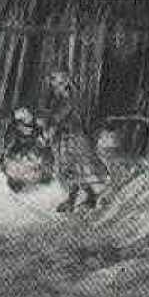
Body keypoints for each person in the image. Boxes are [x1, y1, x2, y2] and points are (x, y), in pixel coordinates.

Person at [44, 71, 108, 212]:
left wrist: (52, 127)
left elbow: (60, 116)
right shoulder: (57, 100)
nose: (55, 87)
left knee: (80, 167)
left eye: (59, 83)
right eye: (54, 84)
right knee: (67, 169)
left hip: (74, 138)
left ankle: (92, 196)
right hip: (63, 139)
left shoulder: (68, 99)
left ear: (65, 83)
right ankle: (73, 199)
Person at [0, 107, 54, 192]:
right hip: (22, 150)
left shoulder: (38, 129)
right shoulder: (13, 131)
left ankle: (43, 174)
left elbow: (45, 148)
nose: (25, 128)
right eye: (21, 124)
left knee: (37, 155)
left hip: (32, 149)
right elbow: (7, 147)